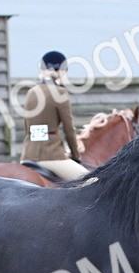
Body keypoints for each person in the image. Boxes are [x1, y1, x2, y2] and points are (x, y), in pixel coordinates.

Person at [20, 50, 88, 181]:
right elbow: (69, 129)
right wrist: (75, 156)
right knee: (91, 182)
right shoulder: (60, 92)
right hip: (51, 157)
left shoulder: (31, 92)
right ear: (61, 71)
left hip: (27, 155)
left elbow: (27, 127)